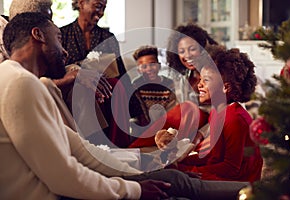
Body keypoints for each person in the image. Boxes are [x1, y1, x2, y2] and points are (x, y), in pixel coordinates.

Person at [0, 12, 251, 200]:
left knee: (175, 177)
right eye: (58, 39)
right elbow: (64, 177)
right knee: (178, 183)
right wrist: (134, 189)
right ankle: (271, 193)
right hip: (66, 194)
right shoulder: (21, 84)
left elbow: (83, 151)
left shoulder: (17, 80)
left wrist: (147, 160)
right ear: (38, 35)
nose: (65, 51)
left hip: (79, 183)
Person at [169, 45, 263, 183]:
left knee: (179, 181)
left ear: (225, 87)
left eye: (206, 80)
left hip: (239, 181)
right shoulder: (216, 111)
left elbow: (231, 168)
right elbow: (214, 156)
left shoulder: (234, 119)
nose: (199, 85)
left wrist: (192, 171)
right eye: (200, 79)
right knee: (172, 171)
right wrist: (182, 162)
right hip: (223, 173)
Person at [60, 0, 140, 147]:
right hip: (75, 88)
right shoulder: (63, 34)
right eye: (98, 6)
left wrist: (139, 111)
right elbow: (58, 70)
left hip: (106, 87)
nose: (101, 12)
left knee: (116, 85)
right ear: (81, 3)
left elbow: (121, 72)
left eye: (104, 8)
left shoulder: (108, 37)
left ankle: (118, 149)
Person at [166, 23, 218, 104]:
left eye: (192, 49)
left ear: (203, 49)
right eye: (182, 51)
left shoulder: (216, 75)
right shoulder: (185, 79)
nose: (187, 55)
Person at [130, 45, 177, 129]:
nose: (149, 69)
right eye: (144, 66)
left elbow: (173, 110)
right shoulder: (135, 85)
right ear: (139, 70)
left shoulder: (170, 84)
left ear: (159, 66)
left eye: (152, 65)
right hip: (144, 128)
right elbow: (138, 112)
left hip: (167, 125)